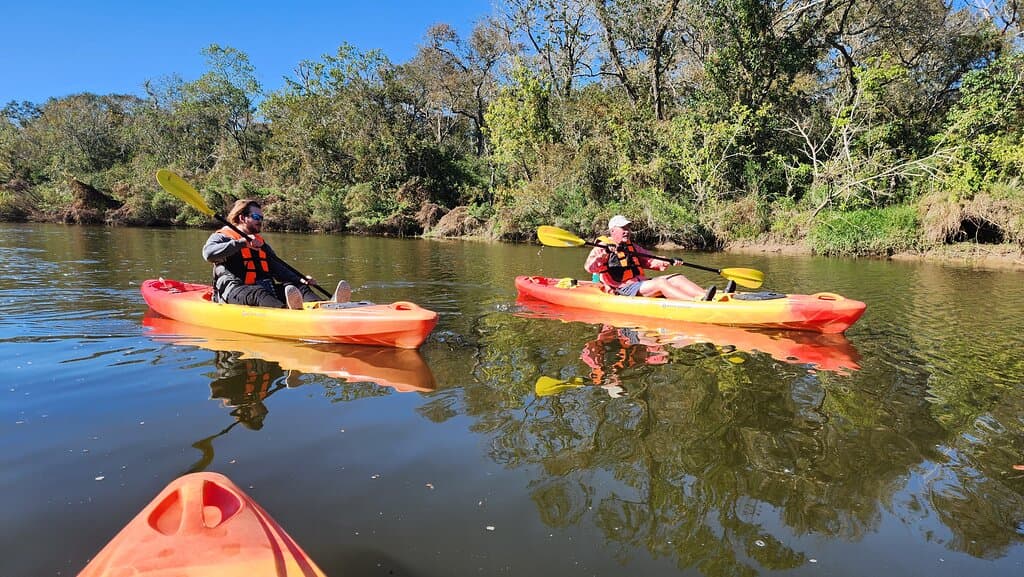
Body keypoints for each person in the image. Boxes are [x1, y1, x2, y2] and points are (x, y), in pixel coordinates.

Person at [202, 199, 351, 309]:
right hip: (234, 292)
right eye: (256, 217)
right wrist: (241, 243)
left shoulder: (260, 243)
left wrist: (301, 279)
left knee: (298, 286)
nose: (260, 221)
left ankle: (328, 307)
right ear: (242, 218)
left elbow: (278, 269)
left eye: (261, 218)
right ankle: (287, 313)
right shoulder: (222, 237)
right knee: (258, 292)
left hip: (265, 290)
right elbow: (208, 254)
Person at [584, 215, 711, 300]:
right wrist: (605, 253)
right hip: (622, 288)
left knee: (677, 277)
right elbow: (590, 267)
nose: (627, 231)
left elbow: (650, 260)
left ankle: (705, 296)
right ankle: (695, 303)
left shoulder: (631, 247)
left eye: (628, 227)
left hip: (639, 283)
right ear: (612, 231)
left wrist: (669, 262)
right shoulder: (602, 246)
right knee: (661, 283)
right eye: (623, 228)